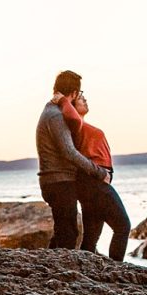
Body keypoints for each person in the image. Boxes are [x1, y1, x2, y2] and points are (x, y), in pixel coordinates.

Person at [35, 70, 111, 249]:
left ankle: (49, 268)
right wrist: (99, 172)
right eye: (80, 93)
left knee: (65, 231)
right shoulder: (55, 116)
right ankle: (56, 274)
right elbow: (69, 152)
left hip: (57, 181)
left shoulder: (54, 111)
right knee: (68, 233)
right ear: (75, 93)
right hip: (58, 182)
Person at [52, 90, 131, 261]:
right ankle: (117, 271)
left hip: (90, 184)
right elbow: (71, 118)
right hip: (93, 182)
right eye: (80, 98)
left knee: (90, 240)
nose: (85, 99)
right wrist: (64, 100)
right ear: (72, 106)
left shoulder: (80, 125)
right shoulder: (75, 124)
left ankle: (84, 274)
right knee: (123, 226)